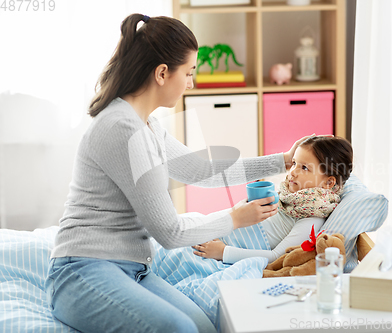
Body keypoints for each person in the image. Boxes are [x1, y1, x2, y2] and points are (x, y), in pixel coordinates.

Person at [45, 13, 314, 333]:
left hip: (132, 269)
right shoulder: (122, 129)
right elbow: (170, 233)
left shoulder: (146, 126)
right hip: (82, 271)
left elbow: (201, 171)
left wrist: (280, 161)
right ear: (162, 73)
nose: (191, 82)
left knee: (205, 325)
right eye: (188, 72)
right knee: (178, 328)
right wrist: (235, 218)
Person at [193, 136, 353, 264]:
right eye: (294, 163)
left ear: (329, 182)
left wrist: (223, 252)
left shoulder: (311, 218)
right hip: (214, 229)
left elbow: (276, 257)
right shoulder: (286, 197)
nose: (292, 172)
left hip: (217, 248)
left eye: (304, 167)